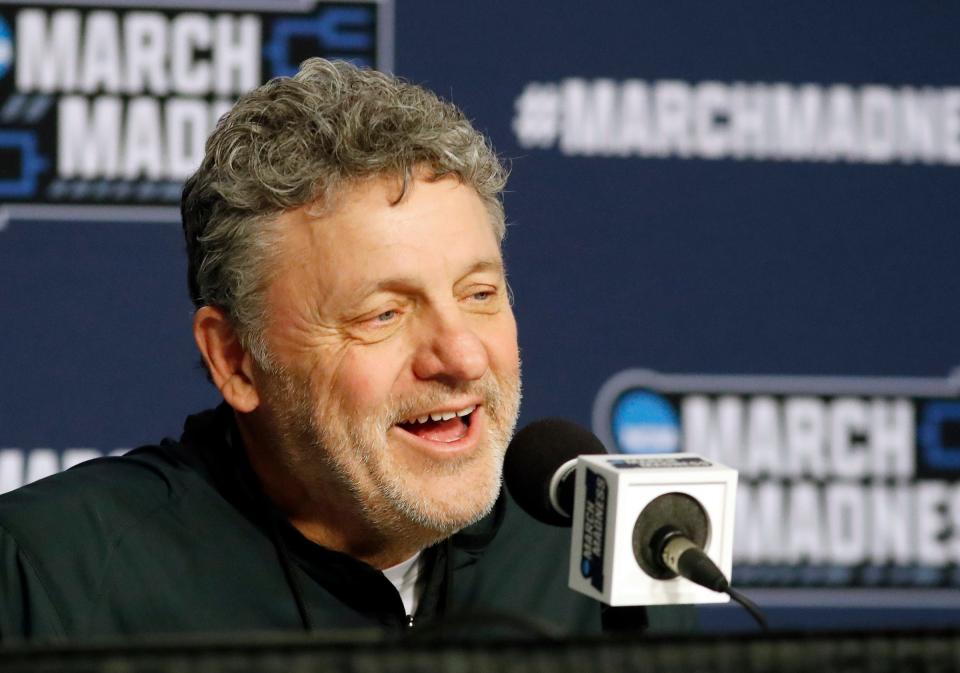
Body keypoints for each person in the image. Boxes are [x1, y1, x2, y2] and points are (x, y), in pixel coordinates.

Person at [0, 58, 693, 641]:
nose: (462, 357)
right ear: (236, 359)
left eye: (480, 294)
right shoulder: (53, 580)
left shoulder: (606, 566)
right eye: (384, 313)